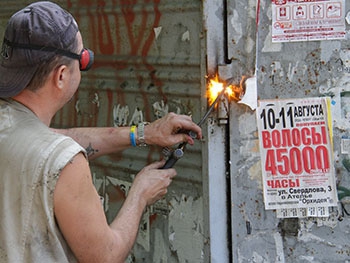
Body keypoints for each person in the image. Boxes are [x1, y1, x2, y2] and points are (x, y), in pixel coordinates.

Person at [0, 2, 202, 262]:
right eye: (82, 58)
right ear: (61, 76)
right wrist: (139, 195)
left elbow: (54, 141)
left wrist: (143, 133)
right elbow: (104, 256)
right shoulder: (66, 161)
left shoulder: (16, 127)